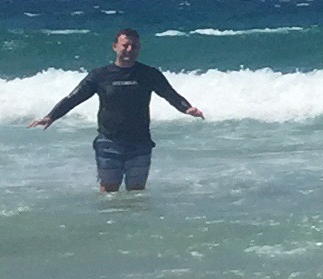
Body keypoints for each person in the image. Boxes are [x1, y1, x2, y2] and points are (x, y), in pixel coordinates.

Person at [29, 28, 203, 193]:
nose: (129, 50)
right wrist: (51, 116)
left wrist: (187, 108)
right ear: (115, 47)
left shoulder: (149, 74)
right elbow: (75, 97)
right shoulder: (100, 75)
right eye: (125, 45)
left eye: (134, 46)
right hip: (109, 141)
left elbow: (170, 94)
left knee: (136, 193)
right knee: (109, 192)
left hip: (140, 142)